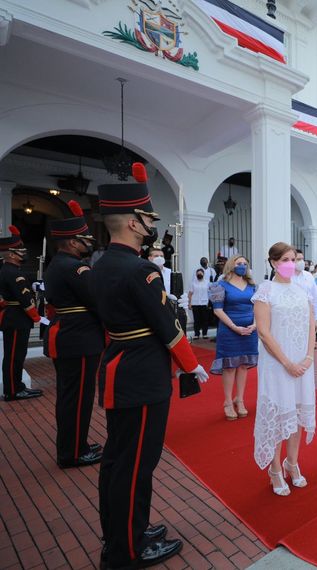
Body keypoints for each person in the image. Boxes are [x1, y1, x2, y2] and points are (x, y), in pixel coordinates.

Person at [93, 163, 207, 568]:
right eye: (147, 219)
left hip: (122, 368)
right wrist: (192, 366)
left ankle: (126, 530)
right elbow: (168, 326)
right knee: (135, 466)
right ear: (132, 223)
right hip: (142, 376)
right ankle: (127, 549)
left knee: (119, 460)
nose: (151, 226)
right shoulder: (140, 270)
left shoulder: (103, 264)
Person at [43, 200, 103, 467]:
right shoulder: (75, 267)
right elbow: (97, 299)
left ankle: (76, 444)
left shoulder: (60, 264)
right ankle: (73, 453)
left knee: (73, 397)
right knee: (77, 399)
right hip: (79, 339)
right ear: (71, 242)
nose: (87, 244)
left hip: (71, 335)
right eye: (83, 240)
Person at [253, 242, 316, 496]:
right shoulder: (265, 290)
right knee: (281, 415)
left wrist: (309, 357)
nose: (292, 263)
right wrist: (287, 363)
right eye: (286, 259)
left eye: (295, 259)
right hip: (277, 365)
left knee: (298, 414)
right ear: (273, 262)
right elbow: (264, 333)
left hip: (303, 364)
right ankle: (275, 469)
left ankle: (293, 462)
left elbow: (312, 325)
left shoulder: (303, 290)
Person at [209, 256, 258, 420]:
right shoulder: (219, 285)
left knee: (243, 365)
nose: (242, 266)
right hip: (229, 331)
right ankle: (228, 401)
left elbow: (258, 307)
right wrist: (235, 328)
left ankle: (240, 399)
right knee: (229, 367)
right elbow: (218, 310)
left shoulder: (253, 285)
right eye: (239, 264)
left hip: (250, 331)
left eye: (245, 264)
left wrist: (255, 324)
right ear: (231, 265)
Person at [0, 225, 45, 401]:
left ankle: (17, 386)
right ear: (11, 254)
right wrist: (37, 317)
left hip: (14, 317)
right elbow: (25, 300)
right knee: (14, 357)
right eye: (20, 251)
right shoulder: (12, 273)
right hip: (17, 318)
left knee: (17, 355)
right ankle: (13, 390)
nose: (23, 253)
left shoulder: (10, 271)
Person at [293, 249, 317, 341]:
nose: (301, 262)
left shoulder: (308, 276)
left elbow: (316, 297)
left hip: (307, 317)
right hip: (290, 318)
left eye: (302, 259)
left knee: (307, 345)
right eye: (298, 259)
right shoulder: (283, 276)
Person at [188, 269, 210, 340]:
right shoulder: (193, 283)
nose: (199, 275)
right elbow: (190, 294)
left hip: (204, 303)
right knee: (196, 319)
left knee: (205, 319)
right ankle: (196, 334)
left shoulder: (207, 283)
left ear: (203, 274)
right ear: (196, 274)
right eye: (198, 274)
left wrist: (209, 302)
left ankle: (205, 334)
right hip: (195, 303)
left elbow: (209, 293)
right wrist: (189, 303)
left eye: (200, 273)